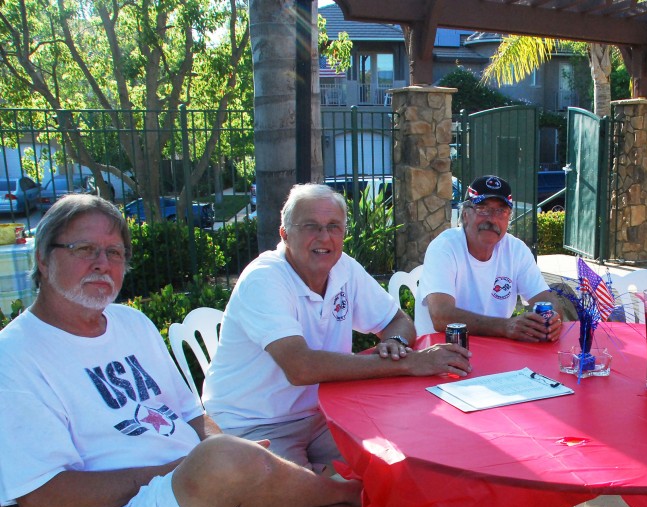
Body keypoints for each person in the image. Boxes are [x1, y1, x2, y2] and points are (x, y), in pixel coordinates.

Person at [0, 194, 378, 507]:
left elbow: (194, 417)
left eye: (114, 252)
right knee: (226, 460)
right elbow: (41, 498)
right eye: (84, 249)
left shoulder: (131, 324)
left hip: (206, 505)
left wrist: (226, 463)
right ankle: (355, 491)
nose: (102, 264)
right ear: (42, 257)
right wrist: (194, 471)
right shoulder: (16, 356)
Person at [203, 183, 471, 471]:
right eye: (311, 226)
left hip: (323, 413)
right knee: (319, 497)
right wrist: (409, 363)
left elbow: (397, 321)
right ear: (284, 234)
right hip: (253, 423)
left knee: (400, 460)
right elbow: (301, 368)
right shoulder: (264, 279)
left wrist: (396, 344)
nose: (324, 236)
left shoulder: (344, 267)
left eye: (334, 226)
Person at [417, 175, 563, 342]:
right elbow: (441, 316)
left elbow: (546, 299)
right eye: (482, 209)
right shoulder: (444, 247)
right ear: (465, 214)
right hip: (441, 349)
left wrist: (552, 319)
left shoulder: (516, 249)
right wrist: (505, 327)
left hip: (496, 346)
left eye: (501, 211)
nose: (492, 219)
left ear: (508, 218)